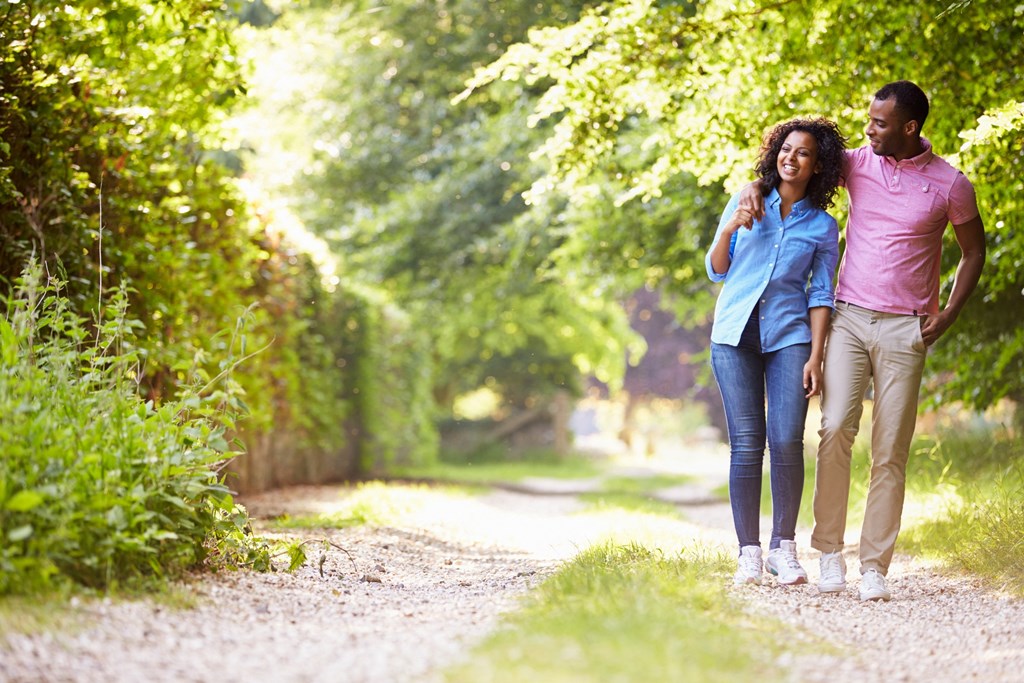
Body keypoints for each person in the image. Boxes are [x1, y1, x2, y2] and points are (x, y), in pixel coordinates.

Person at [738, 81, 986, 601]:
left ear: (909, 127)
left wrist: (948, 313)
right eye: (869, 120)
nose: (868, 129)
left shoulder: (950, 185)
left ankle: (874, 565)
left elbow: (973, 252)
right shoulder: (854, 163)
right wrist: (750, 189)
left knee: (890, 450)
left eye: (879, 123)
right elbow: (791, 165)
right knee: (833, 432)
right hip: (848, 318)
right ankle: (829, 552)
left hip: (906, 326)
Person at [706, 117, 846, 586]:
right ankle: (747, 551)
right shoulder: (746, 199)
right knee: (746, 445)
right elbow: (716, 269)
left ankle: (782, 548)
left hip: (790, 337)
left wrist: (817, 356)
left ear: (817, 166)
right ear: (775, 153)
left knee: (786, 440)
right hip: (734, 336)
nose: (792, 157)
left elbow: (821, 293)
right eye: (786, 149)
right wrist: (730, 228)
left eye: (803, 152)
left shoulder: (825, 228)